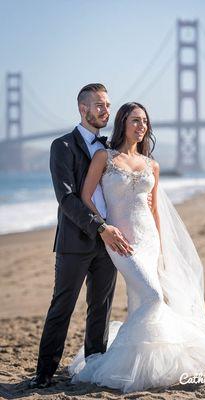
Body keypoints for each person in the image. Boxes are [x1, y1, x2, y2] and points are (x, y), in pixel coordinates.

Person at [69, 102, 205, 393]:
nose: (141, 126)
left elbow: (155, 210)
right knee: (154, 297)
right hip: (120, 241)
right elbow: (85, 196)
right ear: (122, 123)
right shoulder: (104, 157)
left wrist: (162, 250)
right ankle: (135, 360)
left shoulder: (151, 165)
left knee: (140, 302)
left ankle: (140, 361)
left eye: (144, 121)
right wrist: (104, 228)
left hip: (149, 240)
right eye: (135, 120)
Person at [29, 84, 138, 389]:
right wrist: (100, 228)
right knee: (62, 306)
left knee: (101, 308)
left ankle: (94, 366)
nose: (106, 111)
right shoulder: (61, 146)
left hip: (109, 244)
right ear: (83, 108)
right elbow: (66, 199)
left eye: (107, 105)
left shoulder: (110, 149)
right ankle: (44, 374)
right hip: (76, 242)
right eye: (99, 105)